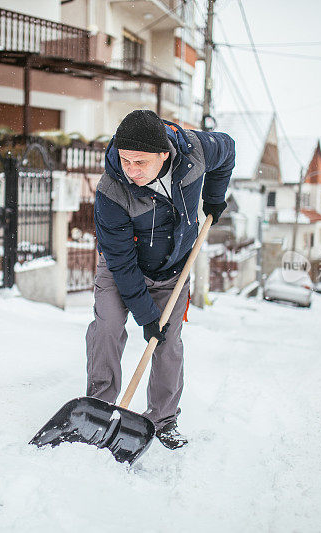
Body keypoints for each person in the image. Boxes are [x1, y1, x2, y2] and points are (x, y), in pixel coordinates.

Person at [86, 109, 235, 449]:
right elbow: (122, 264)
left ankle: (163, 421)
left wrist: (214, 196)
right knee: (107, 327)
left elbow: (228, 149)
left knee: (168, 344)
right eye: (125, 160)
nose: (131, 170)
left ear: (164, 153)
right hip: (121, 267)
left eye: (140, 162)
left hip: (174, 268)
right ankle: (97, 408)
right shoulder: (112, 190)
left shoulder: (195, 151)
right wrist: (146, 315)